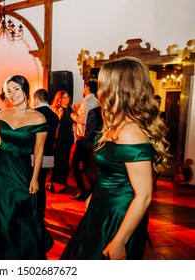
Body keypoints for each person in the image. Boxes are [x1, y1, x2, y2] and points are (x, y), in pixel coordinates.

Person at [61, 56, 170, 260]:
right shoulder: (116, 123)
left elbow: (144, 196)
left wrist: (119, 240)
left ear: (120, 87)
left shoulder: (130, 131)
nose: (100, 91)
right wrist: (96, 195)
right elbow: (113, 170)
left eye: (104, 84)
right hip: (103, 206)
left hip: (119, 215)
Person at [0, 75, 54, 260]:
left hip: (21, 172)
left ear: (25, 89)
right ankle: (6, 255)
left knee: (21, 215)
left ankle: (27, 255)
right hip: (0, 169)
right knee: (4, 215)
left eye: (16, 89)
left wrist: (35, 178)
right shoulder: (2, 114)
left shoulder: (38, 118)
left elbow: (39, 151)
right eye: (8, 91)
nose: (12, 94)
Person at [69, 81, 99, 201]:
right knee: (87, 165)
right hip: (91, 137)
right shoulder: (96, 100)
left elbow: (84, 119)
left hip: (83, 137)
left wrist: (73, 115)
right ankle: (92, 190)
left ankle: (82, 191)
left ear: (87, 87)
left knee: (74, 163)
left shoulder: (86, 101)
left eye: (84, 86)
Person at [33, 88, 59, 218]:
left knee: (32, 182)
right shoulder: (54, 116)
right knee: (41, 183)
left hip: (34, 154)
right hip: (48, 153)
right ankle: (41, 211)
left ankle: (34, 211)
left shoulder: (34, 113)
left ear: (36, 99)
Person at [47, 90, 75, 193]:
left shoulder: (70, 109)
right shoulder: (58, 109)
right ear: (60, 99)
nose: (67, 99)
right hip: (60, 137)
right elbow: (54, 124)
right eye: (64, 97)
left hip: (68, 137)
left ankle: (62, 179)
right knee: (58, 160)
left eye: (68, 97)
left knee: (65, 160)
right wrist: (59, 115)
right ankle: (52, 181)